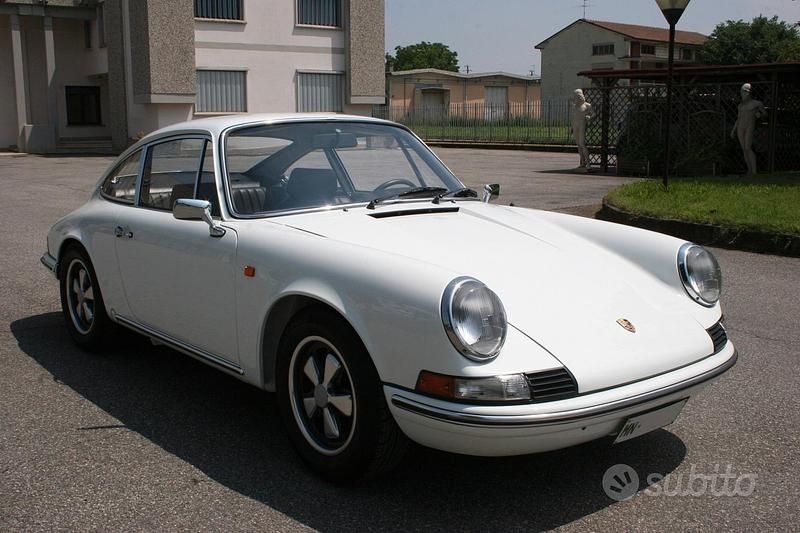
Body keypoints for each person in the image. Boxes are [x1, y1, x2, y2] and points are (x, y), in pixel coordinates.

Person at [731, 83, 766, 176]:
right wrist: (733, 130)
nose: (743, 94)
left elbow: (765, 114)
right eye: (742, 91)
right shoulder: (740, 106)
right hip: (740, 128)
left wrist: (759, 114)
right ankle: (749, 170)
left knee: (748, 148)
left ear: (749, 92)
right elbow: (738, 119)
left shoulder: (756, 103)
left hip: (749, 127)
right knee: (744, 149)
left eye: (745, 91)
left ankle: (754, 171)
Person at [571, 89, 594, 171]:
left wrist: (589, 117)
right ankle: (582, 163)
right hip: (575, 126)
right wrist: (572, 128)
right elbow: (573, 118)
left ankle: (588, 163)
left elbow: (593, 114)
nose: (576, 98)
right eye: (575, 97)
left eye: (578, 96)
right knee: (578, 145)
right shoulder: (574, 106)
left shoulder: (587, 105)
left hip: (582, 125)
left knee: (582, 144)